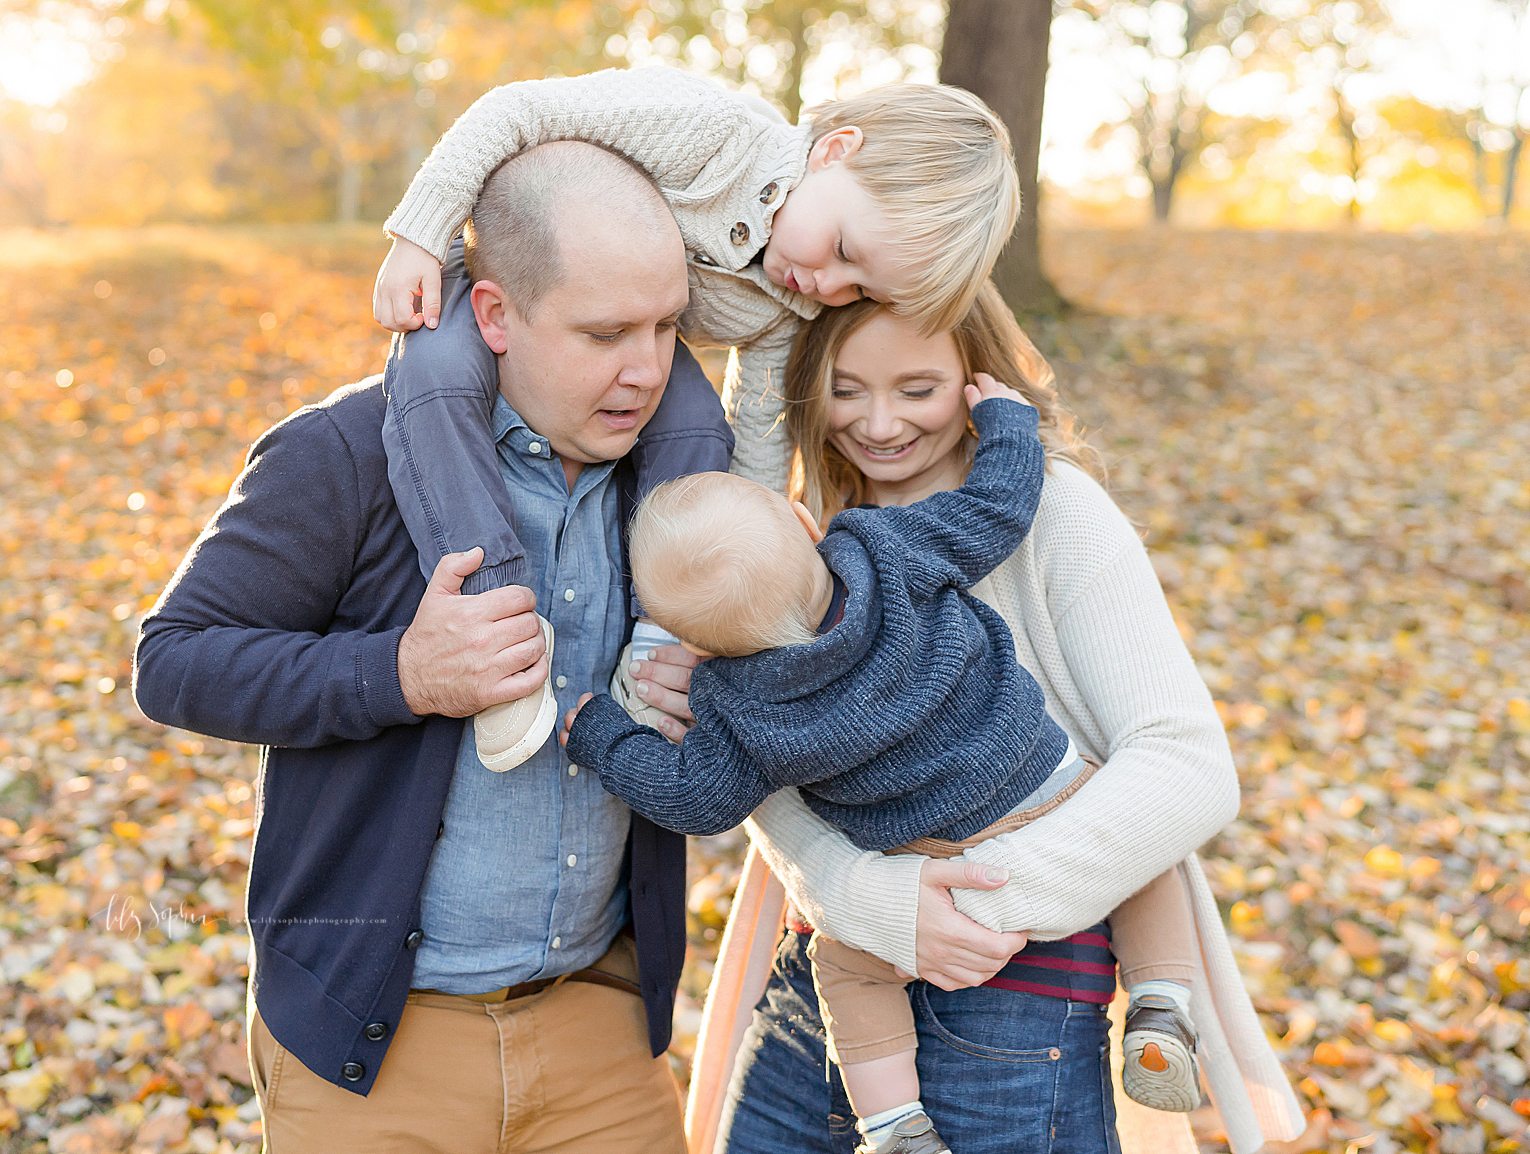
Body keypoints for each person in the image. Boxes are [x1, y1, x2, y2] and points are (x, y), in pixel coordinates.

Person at [133, 140, 728, 1152]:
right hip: (378, 1045)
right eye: (604, 331)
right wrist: (400, 671)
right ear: (494, 315)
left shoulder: (673, 481)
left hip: (601, 1025)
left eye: (667, 326)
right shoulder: (343, 453)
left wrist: (715, 676)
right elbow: (174, 658)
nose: (646, 369)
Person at [614, 287, 1305, 1154]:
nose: (878, 423)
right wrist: (868, 901)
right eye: (844, 386)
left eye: (917, 388)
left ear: (976, 379)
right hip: (822, 984)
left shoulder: (1053, 510)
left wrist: (962, 914)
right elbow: (768, 768)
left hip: (1013, 1001)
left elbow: (1187, 767)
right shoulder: (791, 537)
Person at [360, 70, 1019, 763]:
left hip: (643, 337)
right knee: (434, 377)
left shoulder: (789, 305)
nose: (828, 284)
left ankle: (656, 645)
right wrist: (420, 236)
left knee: (699, 429)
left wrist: (754, 560)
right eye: (845, 251)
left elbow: (758, 436)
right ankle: (497, 616)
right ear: (834, 152)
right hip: (533, 282)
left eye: (858, 287)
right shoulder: (713, 136)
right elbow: (516, 110)